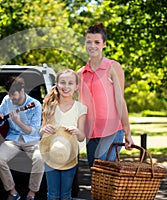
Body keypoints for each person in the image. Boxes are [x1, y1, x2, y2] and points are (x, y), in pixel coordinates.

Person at [78, 22, 134, 167]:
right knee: (95, 175)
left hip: (112, 131)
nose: (92, 46)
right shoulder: (80, 73)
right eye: (89, 42)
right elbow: (79, 107)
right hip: (91, 134)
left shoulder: (113, 67)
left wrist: (127, 132)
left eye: (97, 42)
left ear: (104, 44)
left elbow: (120, 101)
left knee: (104, 172)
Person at [0, 76, 44, 200]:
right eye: (9, 95)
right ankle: (13, 192)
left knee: (40, 158)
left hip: (32, 139)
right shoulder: (6, 100)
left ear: (22, 90)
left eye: (13, 95)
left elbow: (33, 130)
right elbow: (0, 121)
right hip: (13, 138)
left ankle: (32, 193)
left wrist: (18, 121)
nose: (11, 98)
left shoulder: (35, 105)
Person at [40, 69, 87, 200]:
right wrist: (44, 130)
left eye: (70, 83)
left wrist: (77, 131)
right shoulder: (50, 106)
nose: (66, 87)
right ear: (57, 84)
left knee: (66, 194)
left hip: (70, 153)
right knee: (52, 194)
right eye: (63, 82)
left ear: (76, 87)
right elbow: (42, 130)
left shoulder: (80, 108)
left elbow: (82, 136)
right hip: (51, 152)